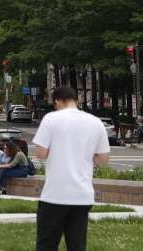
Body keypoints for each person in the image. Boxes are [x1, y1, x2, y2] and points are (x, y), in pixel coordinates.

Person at [32, 86, 110, 251]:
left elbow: (40, 153)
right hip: (82, 196)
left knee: (46, 244)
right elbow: (104, 159)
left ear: (58, 102)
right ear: (76, 100)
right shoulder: (95, 122)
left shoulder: (51, 119)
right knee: (77, 246)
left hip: (55, 195)